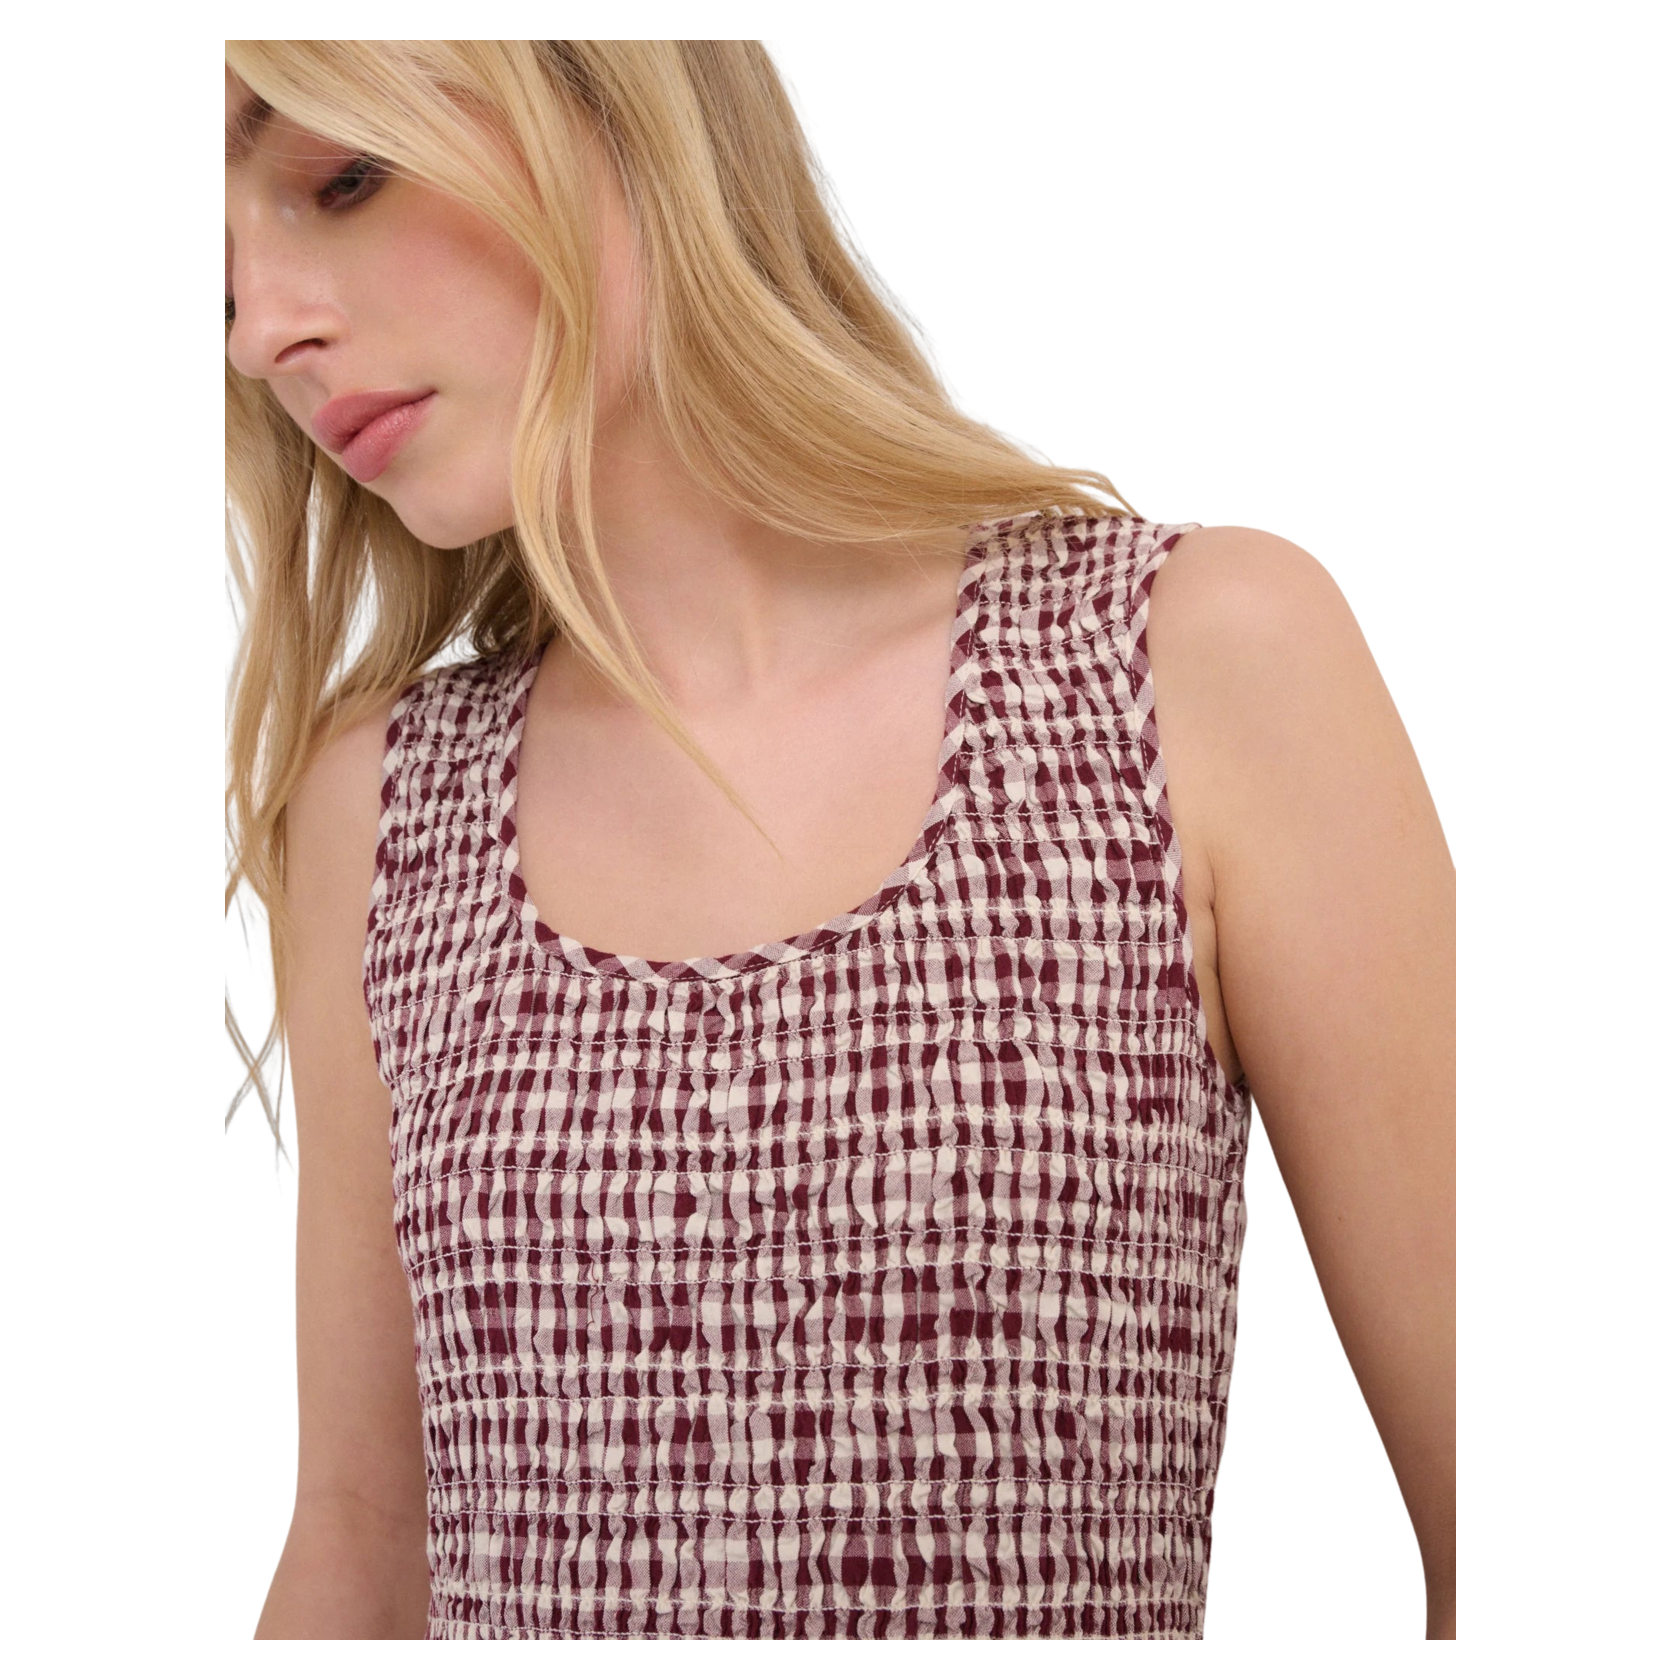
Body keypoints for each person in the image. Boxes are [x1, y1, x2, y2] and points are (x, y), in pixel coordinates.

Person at [226, 41, 1454, 1641]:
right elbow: (363, 1549)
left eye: (343, 175)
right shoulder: (382, 809)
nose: (261, 333)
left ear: (614, 96)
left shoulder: (1186, 665)